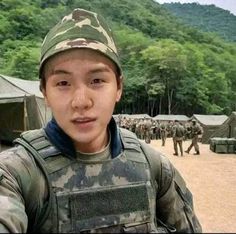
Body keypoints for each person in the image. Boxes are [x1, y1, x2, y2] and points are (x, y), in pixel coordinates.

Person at [0, 8, 202, 233]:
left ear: (119, 88)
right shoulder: (17, 174)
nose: (81, 101)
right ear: (45, 93)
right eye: (63, 83)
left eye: (96, 80)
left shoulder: (153, 166)